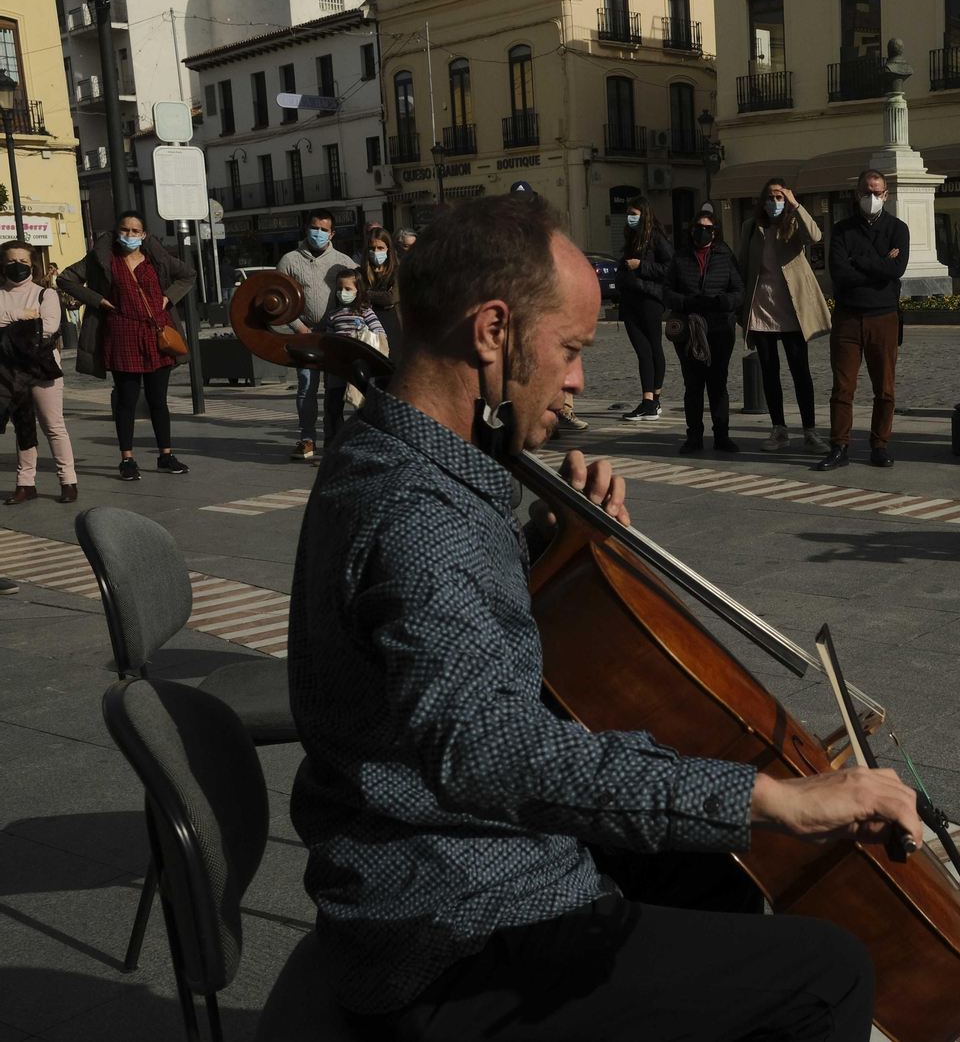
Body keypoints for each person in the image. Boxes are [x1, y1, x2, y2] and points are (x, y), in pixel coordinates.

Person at [291, 194, 909, 1040]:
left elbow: (448, 637)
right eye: (573, 348)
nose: (581, 379)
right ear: (493, 331)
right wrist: (776, 798)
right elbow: (491, 752)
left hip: (425, 868)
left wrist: (544, 543)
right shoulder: (423, 513)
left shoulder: (388, 451)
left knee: (718, 876)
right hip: (455, 926)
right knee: (829, 975)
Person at [59, 211, 196, 481]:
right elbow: (65, 279)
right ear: (116, 231)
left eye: (135, 231)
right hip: (121, 335)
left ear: (143, 235)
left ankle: (166, 455)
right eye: (125, 230)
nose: (130, 235)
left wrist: (168, 298)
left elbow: (188, 275)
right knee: (126, 400)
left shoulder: (157, 259)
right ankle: (127, 459)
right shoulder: (102, 259)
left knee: (158, 399)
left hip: (157, 335)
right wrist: (98, 300)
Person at [815, 169, 909, 471]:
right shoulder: (842, 229)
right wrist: (880, 263)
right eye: (867, 191)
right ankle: (839, 446)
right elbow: (840, 273)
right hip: (848, 317)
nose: (873, 197)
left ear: (886, 194)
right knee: (842, 387)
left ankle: (879, 445)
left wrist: (861, 261)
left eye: (878, 192)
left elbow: (897, 269)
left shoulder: (898, 228)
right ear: (857, 194)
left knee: (885, 388)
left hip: (884, 316)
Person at [739, 178, 830, 453]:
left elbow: (815, 236)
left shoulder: (794, 223)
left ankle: (810, 431)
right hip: (761, 306)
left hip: (792, 308)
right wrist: (739, 306)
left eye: (779, 197)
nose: (774, 202)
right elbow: (743, 263)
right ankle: (779, 429)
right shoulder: (751, 227)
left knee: (800, 370)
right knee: (769, 371)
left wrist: (795, 204)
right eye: (770, 197)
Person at [663, 209, 745, 454]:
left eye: (708, 228)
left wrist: (721, 302)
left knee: (718, 384)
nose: (703, 231)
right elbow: (666, 291)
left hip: (720, 327)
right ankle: (694, 437)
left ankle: (722, 436)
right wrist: (686, 302)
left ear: (715, 231)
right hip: (690, 329)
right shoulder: (680, 258)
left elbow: (739, 291)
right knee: (693, 385)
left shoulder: (725, 256)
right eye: (699, 227)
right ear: (692, 230)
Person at [277, 209, 354, 460]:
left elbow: (358, 295)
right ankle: (307, 439)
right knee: (306, 387)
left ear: (332, 233)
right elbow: (278, 298)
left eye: (323, 229)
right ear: (306, 228)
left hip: (335, 335)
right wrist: (297, 326)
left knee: (335, 390)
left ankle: (335, 437)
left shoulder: (344, 262)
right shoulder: (289, 260)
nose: (318, 233)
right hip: (304, 334)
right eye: (314, 227)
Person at [2, 240, 75, 503]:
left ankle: (68, 481)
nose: (17, 267)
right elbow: (34, 328)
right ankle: (25, 484)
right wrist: (21, 314)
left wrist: (6, 325)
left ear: (32, 263)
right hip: (10, 369)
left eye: (22, 262)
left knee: (53, 425)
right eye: (11, 262)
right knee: (22, 426)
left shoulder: (46, 294)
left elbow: (48, 327)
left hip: (42, 366)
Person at [616, 196, 673, 422]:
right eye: (628, 214)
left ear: (645, 215)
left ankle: (653, 399)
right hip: (630, 300)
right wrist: (622, 277)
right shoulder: (630, 238)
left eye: (634, 214)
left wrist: (642, 266)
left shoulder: (658, 239)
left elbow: (669, 268)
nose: (630, 218)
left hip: (650, 299)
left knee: (653, 349)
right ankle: (648, 401)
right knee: (642, 351)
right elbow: (623, 266)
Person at [322, 267, 388, 446]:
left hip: (358, 366)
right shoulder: (333, 315)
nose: (343, 293)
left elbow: (380, 335)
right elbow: (329, 340)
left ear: (358, 290)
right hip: (337, 367)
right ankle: (337, 443)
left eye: (348, 289)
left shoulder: (365, 312)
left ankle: (366, 442)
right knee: (334, 407)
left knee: (361, 405)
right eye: (339, 289)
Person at [360, 227, 401, 347]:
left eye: (380, 248)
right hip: (368, 331)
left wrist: (367, 294)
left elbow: (392, 298)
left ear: (388, 249)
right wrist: (381, 299)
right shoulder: (360, 273)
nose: (376, 251)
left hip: (394, 328)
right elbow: (356, 296)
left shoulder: (397, 271)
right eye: (372, 248)